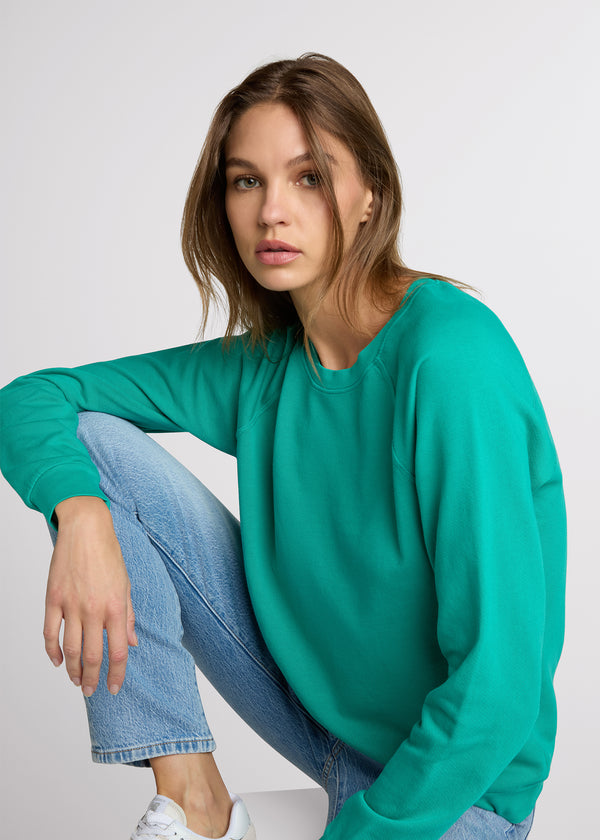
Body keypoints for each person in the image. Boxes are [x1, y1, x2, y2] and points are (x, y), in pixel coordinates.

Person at [0, 53, 566, 840]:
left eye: (308, 177)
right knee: (93, 448)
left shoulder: (450, 358)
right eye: (245, 181)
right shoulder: (262, 369)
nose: (272, 212)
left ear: (369, 193)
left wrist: (360, 832)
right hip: (321, 724)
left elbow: (499, 688)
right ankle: (191, 795)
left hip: (459, 791)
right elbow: (32, 400)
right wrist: (81, 511)